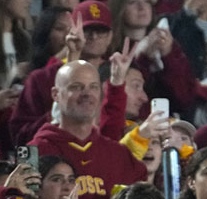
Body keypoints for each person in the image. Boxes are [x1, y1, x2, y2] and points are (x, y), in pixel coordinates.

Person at [31, 57, 166, 197]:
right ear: (56, 94)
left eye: (93, 87)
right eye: (76, 86)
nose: (87, 93)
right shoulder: (34, 152)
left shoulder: (119, 155)